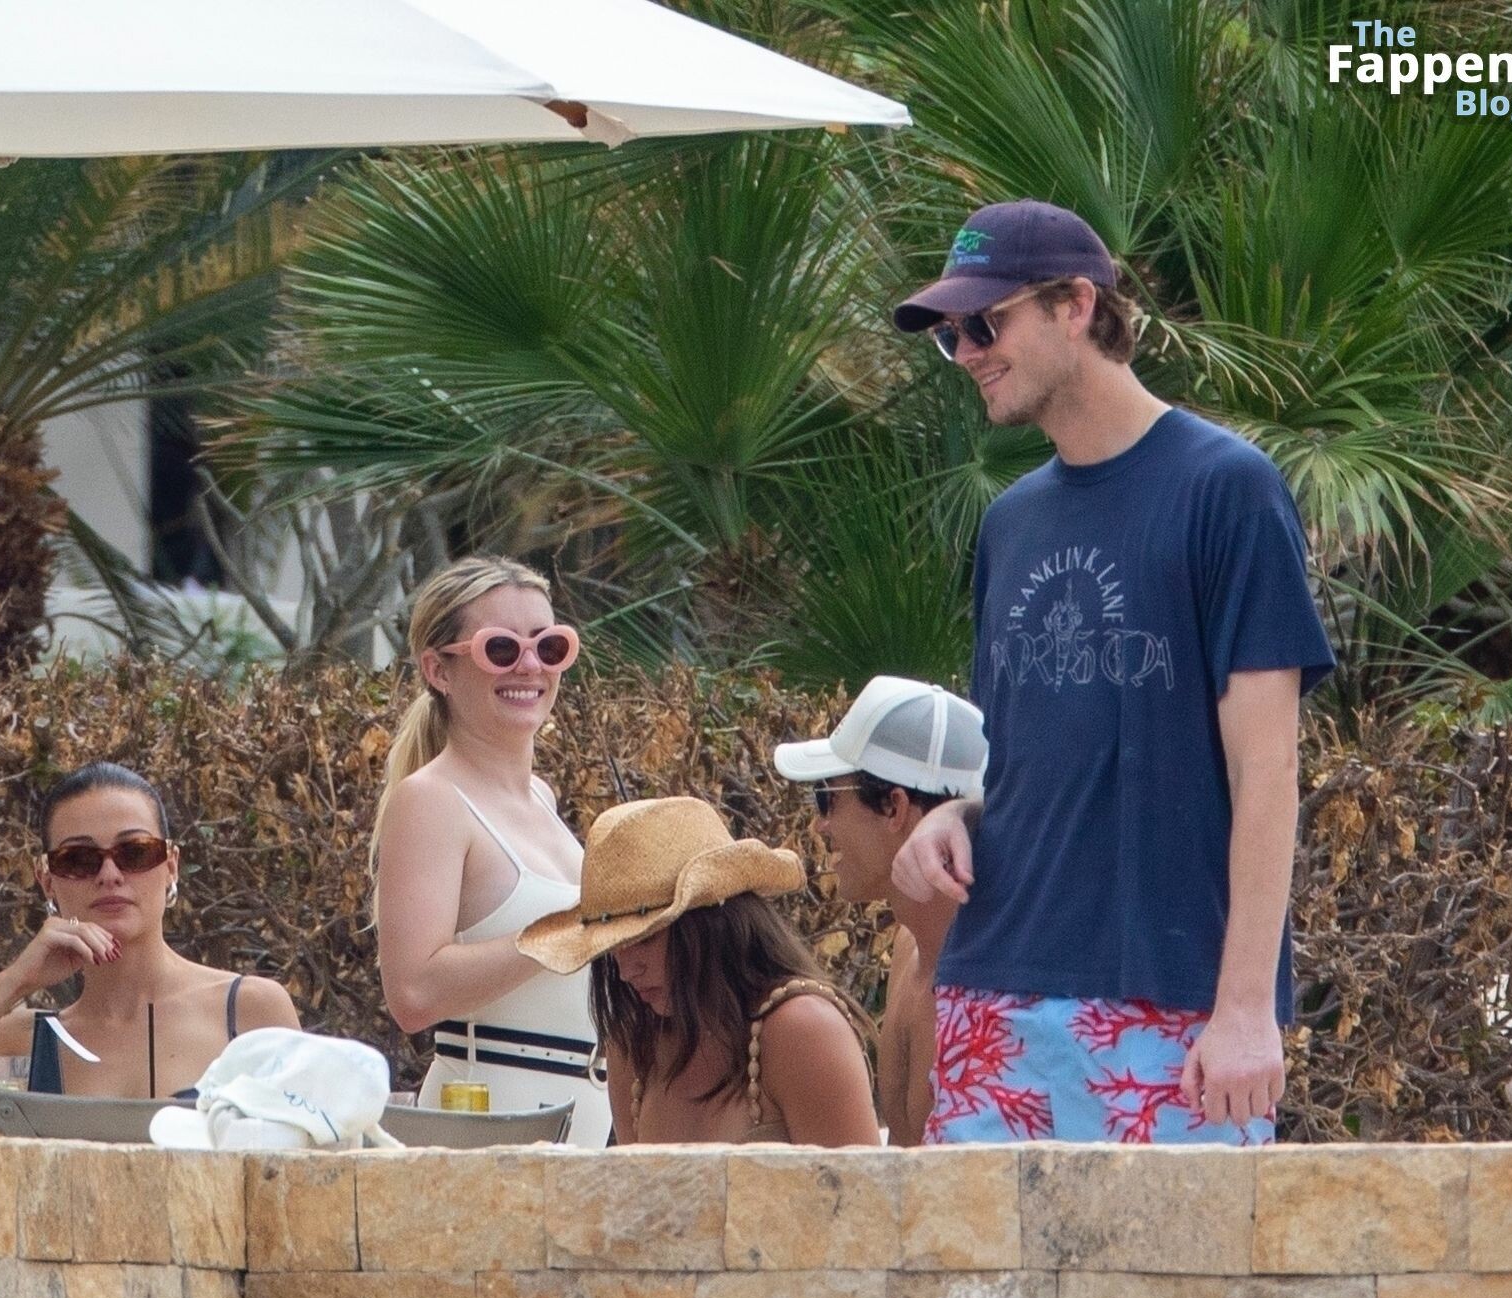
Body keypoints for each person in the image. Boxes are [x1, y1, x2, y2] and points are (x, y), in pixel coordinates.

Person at [888, 199, 1336, 1145]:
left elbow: (1267, 768)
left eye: (985, 323)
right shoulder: (1009, 522)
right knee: (969, 1253)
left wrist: (1245, 1008)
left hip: (1172, 1010)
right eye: (951, 335)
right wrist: (958, 814)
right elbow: (1040, 755)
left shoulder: (1228, 490)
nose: (965, 353)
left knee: (1185, 1254)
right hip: (993, 990)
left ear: (1077, 305)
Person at [371, 556, 610, 1146]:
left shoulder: (542, 798)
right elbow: (413, 993)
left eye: (550, 647)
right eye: (500, 649)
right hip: (489, 1127)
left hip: (581, 1124)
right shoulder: (431, 799)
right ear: (439, 670)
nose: (530, 666)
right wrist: (567, 931)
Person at [518, 797, 879, 1146]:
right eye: (611, 948)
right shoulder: (634, 1043)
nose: (626, 970)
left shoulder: (802, 1029)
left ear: (711, 925)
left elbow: (858, 1186)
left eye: (645, 938)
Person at [0, 762, 298, 1097]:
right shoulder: (22, 1044)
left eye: (135, 852)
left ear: (171, 866)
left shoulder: (249, 1012)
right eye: (78, 859)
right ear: (47, 881)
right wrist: (14, 982)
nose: (110, 875)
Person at [773, 677, 988, 1146]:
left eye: (827, 797)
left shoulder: (996, 975)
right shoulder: (910, 949)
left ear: (895, 807)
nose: (820, 824)